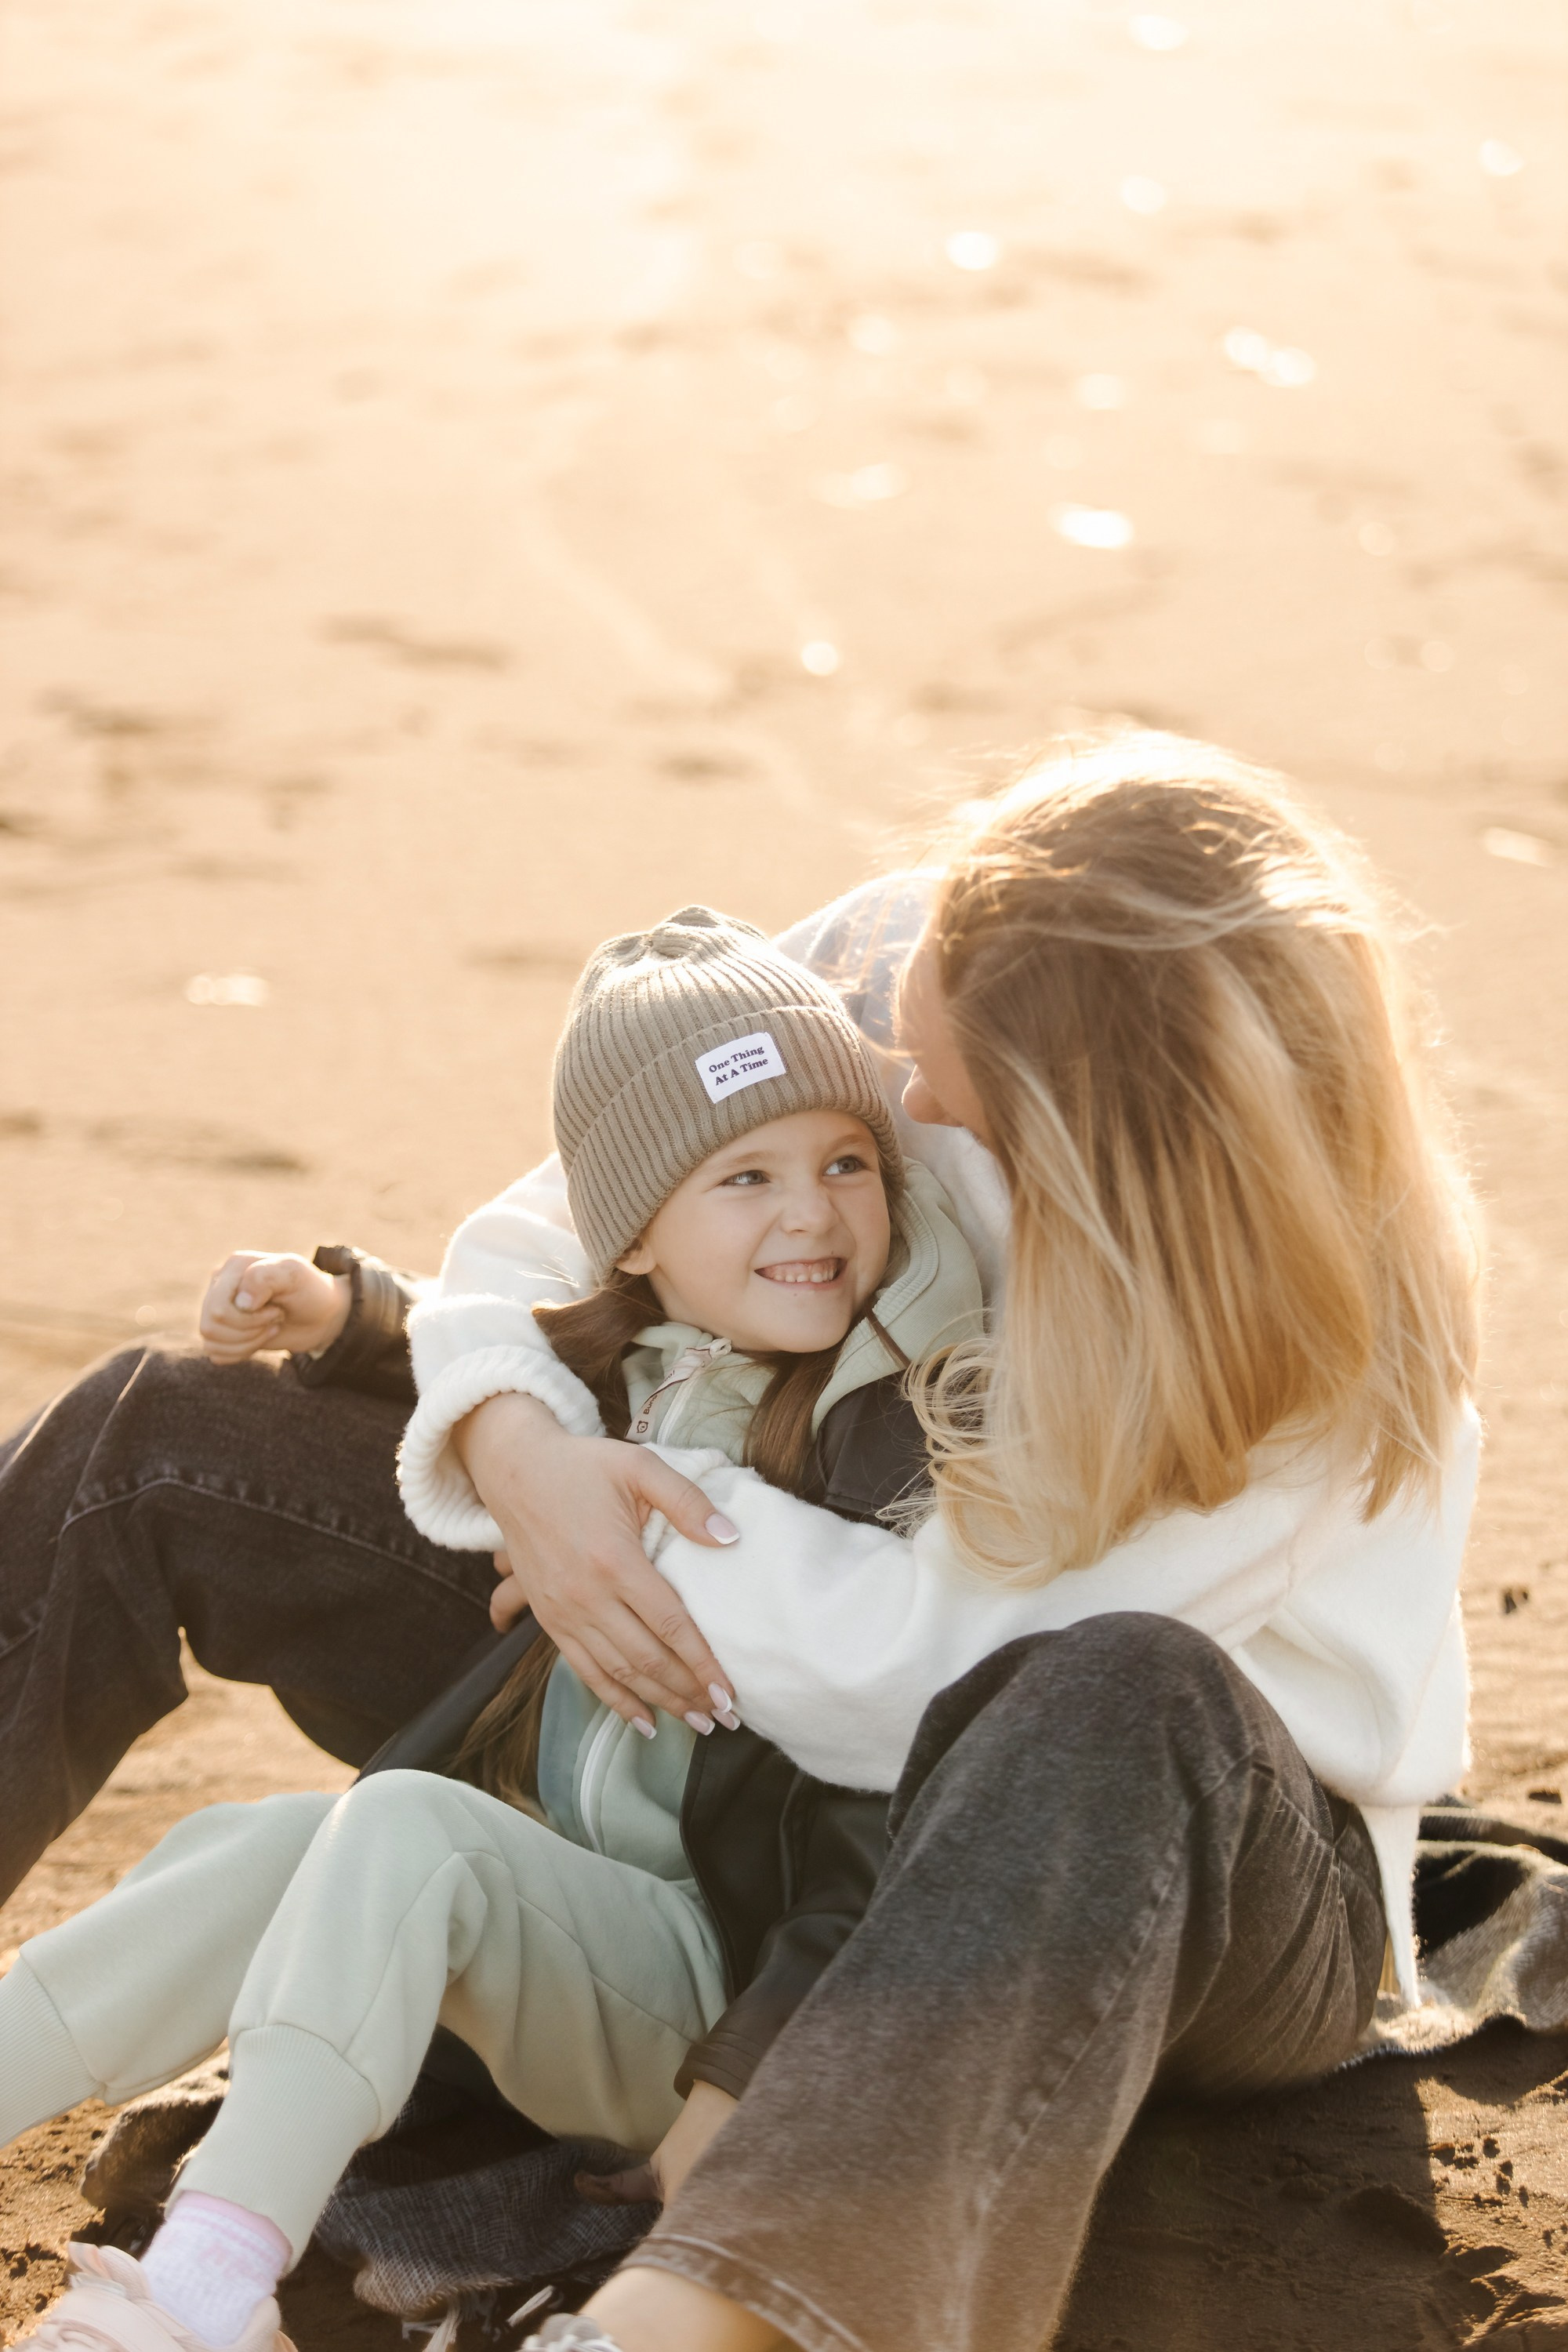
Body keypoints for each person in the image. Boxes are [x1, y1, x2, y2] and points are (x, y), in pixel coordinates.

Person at [0, 735, 1479, 2352]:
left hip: (1128, 1852)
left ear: (1101, 1135)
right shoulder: (926, 961)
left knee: (1116, 1690)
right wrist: (523, 1452)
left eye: (953, 1096)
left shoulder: (1308, 1338)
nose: (907, 1104)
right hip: (712, 1689)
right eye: (904, 1042)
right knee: (163, 1437)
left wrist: (621, 1506)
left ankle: (689, 2317)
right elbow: (555, 1222)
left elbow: (919, 1689)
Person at [1, 908, 984, 2352]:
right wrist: (349, 1315)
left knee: (405, 1829)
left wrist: (744, 2085)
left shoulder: (883, 1436)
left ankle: (209, 2287)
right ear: (634, 1233)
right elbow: (508, 1349)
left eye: (847, 1163)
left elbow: (879, 1799)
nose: (813, 1215)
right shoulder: (649, 1357)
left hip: (697, 2004)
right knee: (260, 1851)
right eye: (748, 1176)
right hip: (547, 1921)